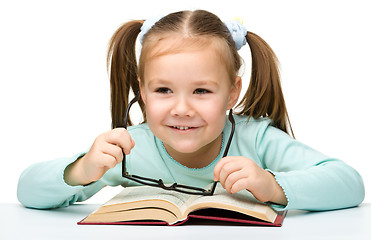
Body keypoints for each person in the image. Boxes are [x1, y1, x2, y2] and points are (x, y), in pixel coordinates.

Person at [17, 10, 364, 211]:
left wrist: (272, 186)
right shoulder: (130, 151)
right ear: (142, 89)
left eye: (201, 91)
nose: (181, 109)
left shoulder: (257, 139)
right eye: (164, 90)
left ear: (231, 94)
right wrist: (81, 170)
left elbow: (350, 184)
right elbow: (27, 192)